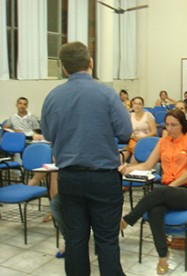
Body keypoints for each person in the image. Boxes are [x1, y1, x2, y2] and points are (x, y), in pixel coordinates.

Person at [41, 41, 132, 276]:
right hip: (103, 179)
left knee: (75, 241)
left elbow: (49, 135)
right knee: (106, 242)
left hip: (69, 178)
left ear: (64, 68)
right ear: (90, 62)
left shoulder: (52, 97)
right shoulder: (106, 93)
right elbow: (124, 132)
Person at [119, 109, 187, 275]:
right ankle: (163, 256)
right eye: (167, 125)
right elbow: (147, 165)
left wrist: (173, 186)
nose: (169, 128)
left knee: (160, 191)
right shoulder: (163, 141)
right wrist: (128, 168)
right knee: (155, 211)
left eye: (174, 125)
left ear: (182, 125)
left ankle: (127, 220)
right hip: (166, 192)